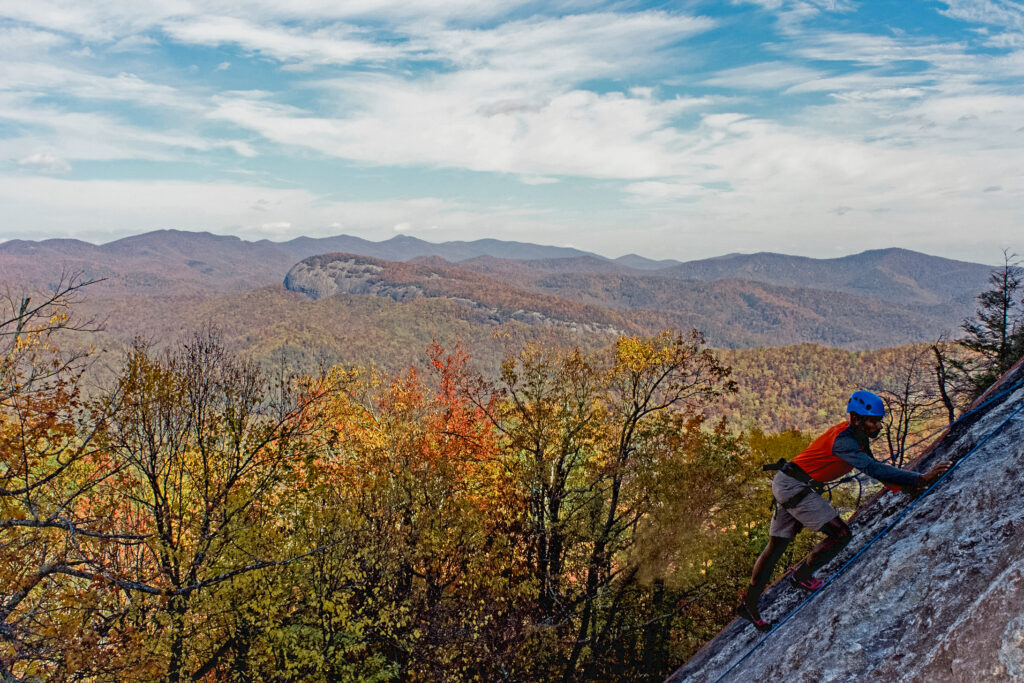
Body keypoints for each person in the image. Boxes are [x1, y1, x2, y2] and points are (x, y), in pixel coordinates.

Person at [736, 390, 952, 631]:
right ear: (856, 419)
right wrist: (920, 478)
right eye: (873, 421)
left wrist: (910, 486)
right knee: (840, 534)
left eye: (879, 420)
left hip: (788, 481)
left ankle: (750, 603)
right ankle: (802, 576)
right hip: (794, 486)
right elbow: (875, 469)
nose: (878, 426)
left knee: (776, 547)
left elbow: (875, 468)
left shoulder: (856, 436)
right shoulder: (845, 442)